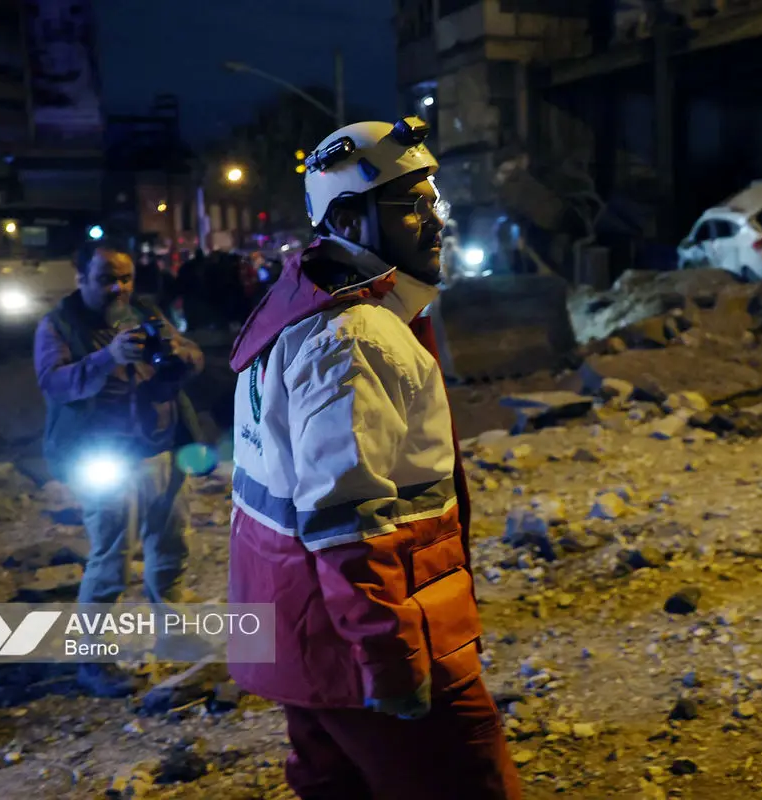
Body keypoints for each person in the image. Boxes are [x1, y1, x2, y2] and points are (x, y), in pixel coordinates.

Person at [228, 117, 522, 800]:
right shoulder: (354, 337)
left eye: (436, 202)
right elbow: (346, 522)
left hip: (310, 640)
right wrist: (389, 657)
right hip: (368, 648)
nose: (437, 220)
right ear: (349, 219)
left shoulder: (301, 309)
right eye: (413, 205)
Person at [34, 245, 206, 697]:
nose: (119, 288)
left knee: (170, 547)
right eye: (107, 278)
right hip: (103, 457)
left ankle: (175, 635)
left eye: (126, 278)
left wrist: (179, 353)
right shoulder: (59, 325)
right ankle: (94, 659)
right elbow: (54, 383)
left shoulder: (145, 313)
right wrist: (107, 356)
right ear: (81, 278)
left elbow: (194, 356)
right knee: (111, 557)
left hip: (160, 450)